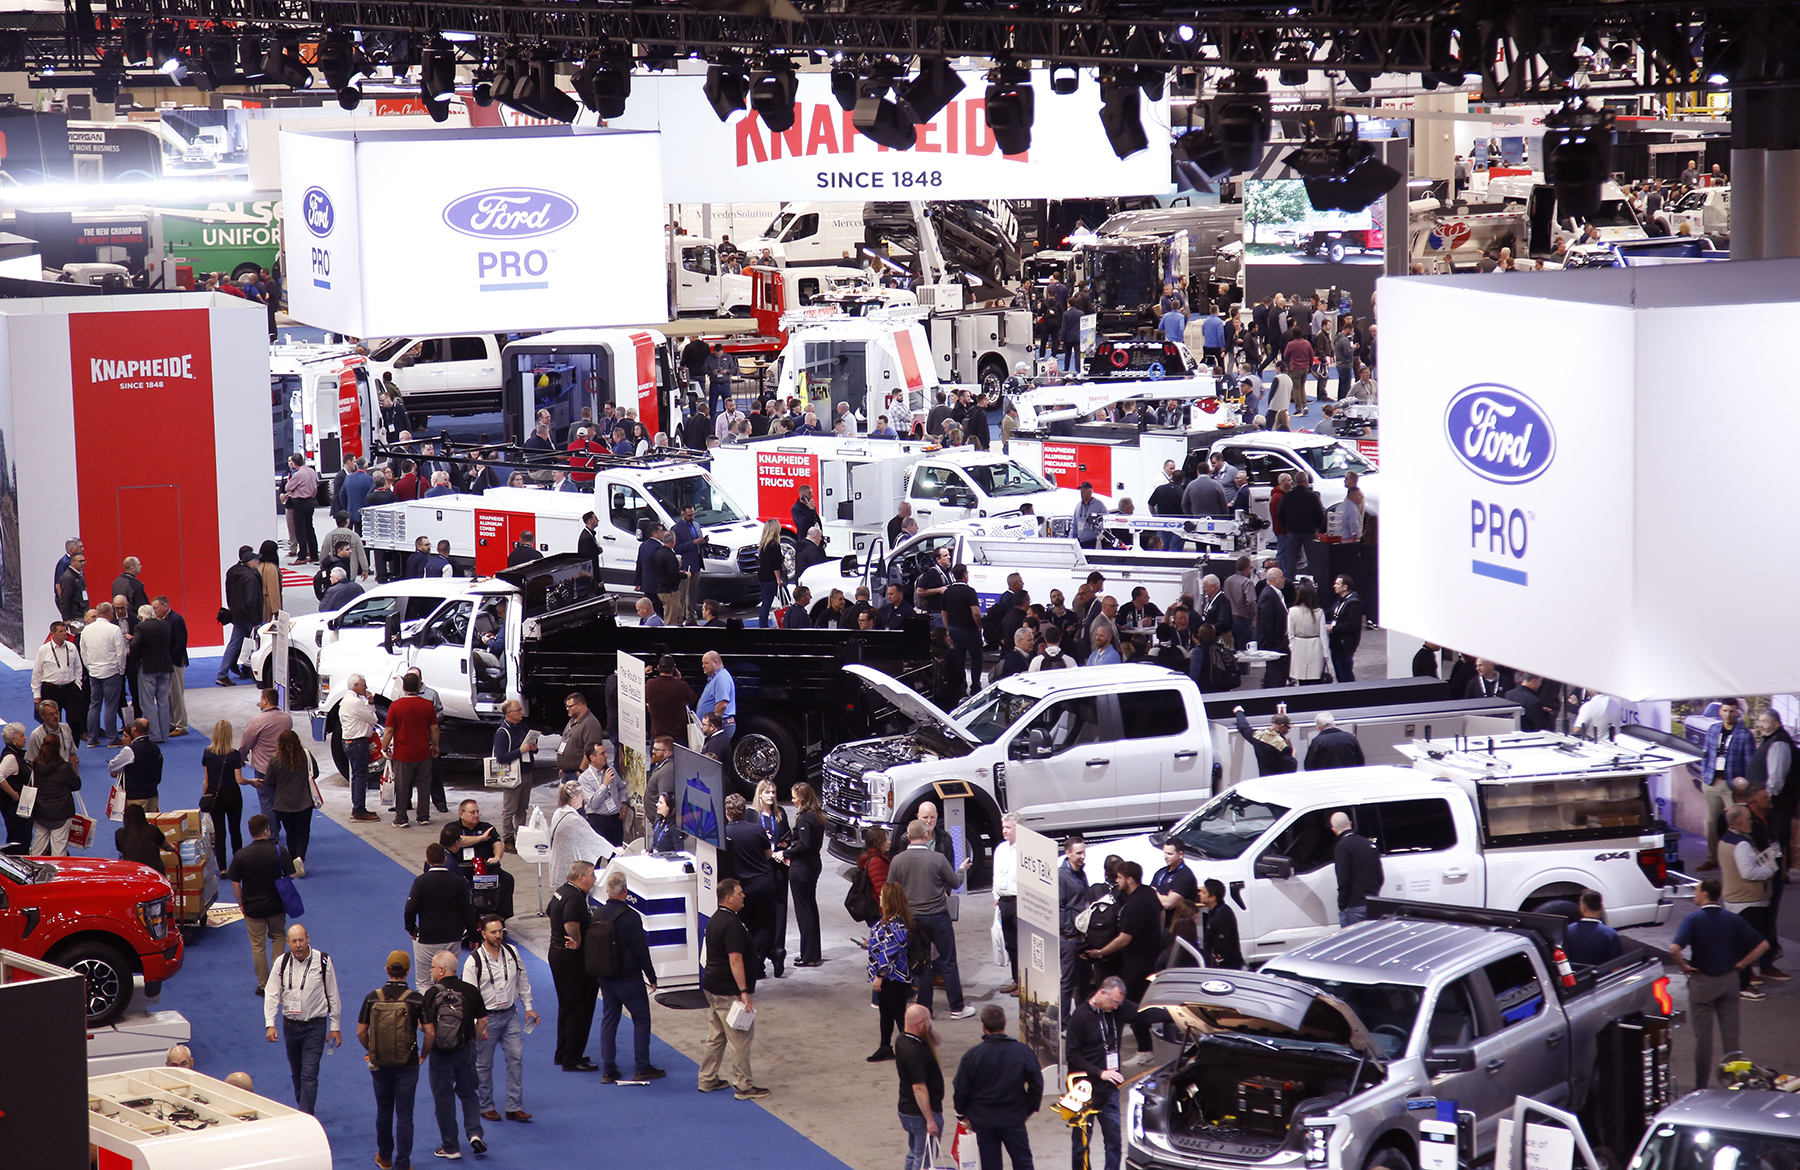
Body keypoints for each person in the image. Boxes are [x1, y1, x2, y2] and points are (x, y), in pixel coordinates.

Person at [1671, 878, 1769, 1089]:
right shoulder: (1733, 919)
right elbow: (1763, 945)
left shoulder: (1693, 919)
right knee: (1732, 1038)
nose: (1695, 894)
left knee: (1703, 1040)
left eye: (1696, 890)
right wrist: (1742, 964)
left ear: (1705, 894)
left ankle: (1701, 1086)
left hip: (1702, 984)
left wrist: (1684, 967)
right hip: (1729, 982)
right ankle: (1738, 1084)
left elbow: (1674, 949)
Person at [699, 878, 770, 1099]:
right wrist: (744, 991)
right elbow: (735, 960)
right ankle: (743, 1086)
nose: (744, 896)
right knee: (740, 1037)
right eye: (740, 893)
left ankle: (707, 1078)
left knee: (717, 1035)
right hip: (727, 990)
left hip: (712, 986)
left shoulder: (716, 919)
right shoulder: (731, 925)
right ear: (728, 898)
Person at [1080, 860, 1161, 1052]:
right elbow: (1161, 913)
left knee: (1131, 1004)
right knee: (1141, 1001)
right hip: (1149, 957)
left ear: (1129, 879)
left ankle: (1145, 1050)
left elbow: (1124, 939)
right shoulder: (1149, 893)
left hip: (1138, 961)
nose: (1117, 881)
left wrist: (1099, 953)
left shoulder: (1135, 904)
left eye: (1120, 878)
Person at [593, 869, 665, 1083]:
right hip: (629, 978)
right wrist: (651, 976)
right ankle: (642, 1066)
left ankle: (608, 1069)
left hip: (605, 977)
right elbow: (641, 950)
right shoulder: (631, 917)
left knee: (609, 1019)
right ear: (625, 890)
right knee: (641, 1019)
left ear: (608, 891)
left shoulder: (597, 914)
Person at [952, 1004, 1043, 1170]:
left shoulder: (972, 1055)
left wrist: (962, 1114)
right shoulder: (1023, 1051)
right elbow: (1037, 1083)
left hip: (983, 1119)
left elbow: (961, 1088)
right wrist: (1029, 1109)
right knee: (1023, 1162)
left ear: (983, 1025)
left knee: (990, 1165)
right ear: (1005, 1023)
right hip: (1014, 1117)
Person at [263, 924, 341, 1116]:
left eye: (301, 940)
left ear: (308, 938)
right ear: (288, 942)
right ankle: (303, 1106)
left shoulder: (323, 961)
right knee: (297, 1073)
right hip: (290, 1026)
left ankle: (306, 1115)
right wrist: (270, 1023)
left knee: (309, 1073)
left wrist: (335, 1026)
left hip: (315, 1026)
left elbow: (333, 994)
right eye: (294, 941)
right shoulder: (281, 963)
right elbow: (272, 993)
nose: (298, 945)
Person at [358, 950, 427, 1170]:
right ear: (408, 971)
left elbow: (361, 1031)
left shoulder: (372, 997)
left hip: (380, 1066)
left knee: (384, 1111)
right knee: (405, 1115)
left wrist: (373, 1050)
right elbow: (431, 1032)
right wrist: (422, 1055)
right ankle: (403, 1164)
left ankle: (385, 1158)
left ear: (387, 970)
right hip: (407, 1065)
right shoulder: (416, 999)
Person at [1066, 976, 1140, 1170]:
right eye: (1114, 1002)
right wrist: (1100, 1073)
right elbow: (1072, 1055)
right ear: (1103, 992)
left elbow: (1144, 1013)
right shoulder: (1080, 1017)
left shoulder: (1118, 1009)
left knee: (1114, 1142)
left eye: (1119, 1003)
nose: (1116, 1007)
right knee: (1080, 1144)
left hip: (1109, 1091)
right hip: (1083, 1091)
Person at [421, 950, 489, 1160]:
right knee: (469, 1093)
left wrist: (425, 1051)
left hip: (441, 1054)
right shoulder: (470, 990)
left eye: (433, 967)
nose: (431, 971)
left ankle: (451, 1147)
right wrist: (472, 1039)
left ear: (441, 970)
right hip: (465, 1050)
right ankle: (475, 1134)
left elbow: (427, 1028)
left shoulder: (432, 994)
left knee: (444, 1098)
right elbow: (484, 1020)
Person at [227, 814, 295, 992]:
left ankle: (264, 985)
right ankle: (279, 981)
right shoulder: (279, 851)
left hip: (253, 907)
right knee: (278, 937)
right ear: (267, 831)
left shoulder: (241, 855)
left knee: (258, 946)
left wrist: (241, 904)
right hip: (277, 905)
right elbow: (292, 875)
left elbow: (235, 883)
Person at [546, 861, 600, 1072]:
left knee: (567, 1006)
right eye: (592, 875)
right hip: (571, 959)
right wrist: (576, 940)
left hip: (557, 953)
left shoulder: (562, 891)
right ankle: (572, 1058)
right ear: (581, 877)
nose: (594, 879)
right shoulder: (575, 898)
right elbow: (570, 920)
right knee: (580, 1007)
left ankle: (564, 1053)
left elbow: (552, 911)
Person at [406, 842, 477, 990]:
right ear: (445, 859)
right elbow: (467, 911)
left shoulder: (421, 882)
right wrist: (473, 936)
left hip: (427, 939)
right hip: (453, 938)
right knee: (449, 978)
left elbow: (410, 909)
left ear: (427, 860)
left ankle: (429, 1011)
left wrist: (411, 929)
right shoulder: (458, 882)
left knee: (425, 983)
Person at [1701, 699, 1755, 871]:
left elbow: (1749, 762)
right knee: (1712, 822)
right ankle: (1712, 858)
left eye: (1732, 711)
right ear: (1720, 712)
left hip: (1732, 785)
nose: (1728, 714)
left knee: (1738, 822)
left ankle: (1739, 859)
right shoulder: (1713, 730)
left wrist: (1745, 785)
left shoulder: (1744, 734)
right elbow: (1706, 753)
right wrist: (1704, 772)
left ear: (1737, 712)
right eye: (1725, 710)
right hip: (1712, 782)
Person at [384, 675, 440, 828]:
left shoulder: (396, 706)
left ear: (403, 687)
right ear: (419, 686)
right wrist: (435, 746)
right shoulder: (428, 705)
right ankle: (423, 816)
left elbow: (389, 730)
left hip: (403, 754)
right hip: (423, 753)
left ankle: (401, 818)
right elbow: (434, 728)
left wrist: (384, 747)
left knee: (402, 787)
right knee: (424, 786)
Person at [895, 1002, 944, 1170]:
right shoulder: (916, 1052)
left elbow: (938, 1041)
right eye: (928, 1022)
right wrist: (930, 1120)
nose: (930, 1024)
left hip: (907, 1110)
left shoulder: (903, 1038)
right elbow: (919, 1088)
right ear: (920, 1024)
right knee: (924, 1159)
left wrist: (927, 1027)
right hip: (921, 1114)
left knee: (915, 1152)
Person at [243, 690, 294, 842]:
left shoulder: (257, 721)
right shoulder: (287, 719)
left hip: (263, 768)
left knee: (267, 802)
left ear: (265, 700)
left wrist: (241, 756)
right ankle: (289, 832)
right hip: (283, 767)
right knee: (282, 801)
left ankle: (272, 835)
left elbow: (246, 743)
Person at [266, 730, 318, 870]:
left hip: (283, 804)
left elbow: (269, 781)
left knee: (290, 833)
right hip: (304, 802)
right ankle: (300, 857)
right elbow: (316, 773)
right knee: (303, 832)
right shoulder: (306, 756)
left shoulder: (275, 759)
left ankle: (292, 857)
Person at [788, 782, 827, 968]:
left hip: (802, 869)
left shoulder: (804, 819)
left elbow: (804, 845)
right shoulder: (817, 816)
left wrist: (785, 853)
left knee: (804, 912)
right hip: (813, 865)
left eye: (794, 797)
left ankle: (807, 956)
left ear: (802, 798)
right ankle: (813, 952)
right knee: (810, 908)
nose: (792, 800)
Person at [548, 781, 612, 889]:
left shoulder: (558, 812)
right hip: (569, 868)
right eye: (581, 796)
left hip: (558, 864)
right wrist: (614, 850)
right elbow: (594, 839)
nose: (583, 800)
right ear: (574, 798)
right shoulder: (574, 819)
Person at [31, 621, 86, 747]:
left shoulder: (71, 647)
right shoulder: (44, 650)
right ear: (53, 634)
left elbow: (78, 667)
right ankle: (56, 750)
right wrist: (36, 694)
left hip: (71, 689)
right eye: (60, 631)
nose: (64, 634)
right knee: (53, 722)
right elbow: (37, 673)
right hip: (51, 689)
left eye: (65, 631)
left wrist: (78, 685)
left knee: (75, 720)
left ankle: (73, 749)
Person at [81, 601, 126, 747]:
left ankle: (92, 739)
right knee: (111, 706)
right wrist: (121, 670)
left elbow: (84, 652)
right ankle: (112, 739)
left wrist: (90, 668)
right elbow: (121, 653)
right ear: (110, 613)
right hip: (111, 672)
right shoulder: (114, 629)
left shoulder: (86, 630)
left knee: (94, 706)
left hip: (94, 672)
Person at [27, 737, 82, 856]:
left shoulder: (36, 765)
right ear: (59, 748)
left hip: (40, 812)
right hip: (60, 813)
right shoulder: (65, 767)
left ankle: (32, 871)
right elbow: (77, 785)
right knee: (59, 850)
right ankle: (57, 873)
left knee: (38, 847)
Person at [1331, 812, 1382, 926]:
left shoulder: (1342, 846)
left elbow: (1344, 880)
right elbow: (1380, 877)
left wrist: (1342, 905)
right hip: (1372, 903)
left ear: (1333, 830)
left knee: (1353, 941)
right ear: (1350, 823)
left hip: (1354, 905)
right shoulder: (1369, 844)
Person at [577, 741, 627, 846]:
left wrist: (624, 803)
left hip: (615, 819)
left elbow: (621, 787)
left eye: (606, 752)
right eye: (602, 753)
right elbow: (594, 804)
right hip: (597, 821)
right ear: (592, 757)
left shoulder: (610, 770)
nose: (606, 755)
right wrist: (605, 785)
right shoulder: (584, 778)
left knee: (616, 855)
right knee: (596, 857)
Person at [992, 814, 1021, 994]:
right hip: (1004, 901)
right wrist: (995, 896)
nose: (1004, 830)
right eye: (1003, 827)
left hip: (1020, 901)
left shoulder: (1025, 850)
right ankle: (1016, 980)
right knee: (1010, 944)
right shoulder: (1001, 849)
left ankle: (1026, 983)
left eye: (1008, 827)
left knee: (1022, 944)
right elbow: (996, 874)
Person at [1562, 889, 1623, 968]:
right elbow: (1617, 967)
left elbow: (1564, 962)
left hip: (1577, 978)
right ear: (1601, 907)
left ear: (1583, 907)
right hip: (1603, 979)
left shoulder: (1569, 930)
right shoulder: (1610, 934)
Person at [1233, 706, 1296, 775]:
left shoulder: (1258, 736)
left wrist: (1239, 712)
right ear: (1282, 726)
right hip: (1278, 781)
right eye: (1288, 728)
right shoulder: (1282, 746)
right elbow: (1291, 769)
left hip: (1264, 779)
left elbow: (1243, 727)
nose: (1288, 731)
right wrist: (1293, 756)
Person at [1197, 878, 1244, 968]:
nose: (1199, 894)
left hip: (1228, 966)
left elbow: (1224, 947)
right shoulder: (1214, 911)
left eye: (1203, 892)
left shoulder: (1222, 916)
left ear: (1212, 898)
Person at [1255, 567, 1290, 688]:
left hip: (1279, 643)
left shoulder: (1275, 593)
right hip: (1275, 645)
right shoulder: (1268, 595)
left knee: (1277, 675)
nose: (1284, 579)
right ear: (1275, 580)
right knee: (1276, 677)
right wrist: (1275, 644)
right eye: (1282, 577)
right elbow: (1266, 622)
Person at [1326, 576, 1363, 685]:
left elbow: (1352, 624)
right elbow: (1330, 614)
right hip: (1336, 642)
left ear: (1345, 587)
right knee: (1339, 672)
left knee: (1345, 673)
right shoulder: (1340, 600)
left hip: (1345, 644)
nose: (1334, 586)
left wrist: (1334, 629)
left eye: (1337, 584)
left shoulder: (1353, 603)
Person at [1286, 580, 1325, 684]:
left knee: (1302, 680)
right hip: (1315, 647)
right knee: (1315, 679)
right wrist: (1326, 653)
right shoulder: (1319, 612)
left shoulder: (1292, 611)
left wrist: (1292, 647)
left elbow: (1290, 634)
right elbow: (1324, 636)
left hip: (1298, 647)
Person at [114, 801, 169, 874]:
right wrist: (173, 848)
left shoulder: (120, 833)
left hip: (132, 871)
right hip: (155, 871)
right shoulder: (153, 829)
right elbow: (166, 846)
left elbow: (120, 849)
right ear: (143, 816)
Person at [698, 651, 737, 736]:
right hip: (715, 725)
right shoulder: (715, 677)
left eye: (706, 663)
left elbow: (722, 704)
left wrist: (713, 724)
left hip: (722, 724)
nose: (703, 666)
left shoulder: (722, 678)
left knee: (715, 749)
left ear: (715, 663)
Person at [755, 520, 785, 627]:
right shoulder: (774, 545)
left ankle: (762, 626)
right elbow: (775, 563)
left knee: (766, 603)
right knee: (785, 601)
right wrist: (779, 579)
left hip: (763, 577)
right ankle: (786, 623)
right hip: (772, 578)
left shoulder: (763, 545)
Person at [1072, 481, 1107, 549]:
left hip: (1092, 541)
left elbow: (1106, 521)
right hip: (1080, 541)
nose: (1082, 493)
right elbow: (1074, 524)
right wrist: (1071, 539)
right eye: (1081, 491)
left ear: (1090, 492)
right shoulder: (1078, 505)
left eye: (1084, 491)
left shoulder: (1099, 505)